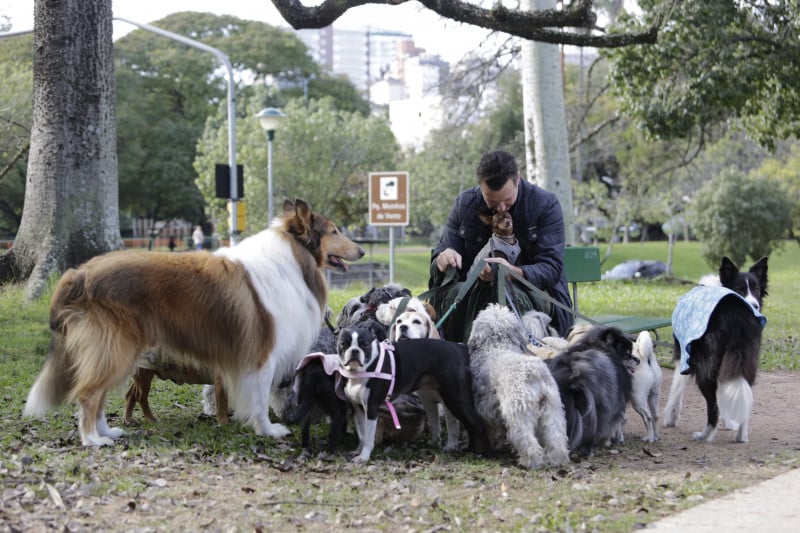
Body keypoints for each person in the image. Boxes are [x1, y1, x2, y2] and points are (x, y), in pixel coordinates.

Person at [428, 150, 574, 342]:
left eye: (507, 200)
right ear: (480, 186)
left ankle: (515, 355)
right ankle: (463, 355)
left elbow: (551, 268)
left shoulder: (545, 204)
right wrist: (442, 259)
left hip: (530, 293)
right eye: (492, 202)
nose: (501, 209)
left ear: (518, 179)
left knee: (505, 294)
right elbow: (442, 255)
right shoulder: (465, 203)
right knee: (459, 294)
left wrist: (512, 272)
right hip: (469, 296)